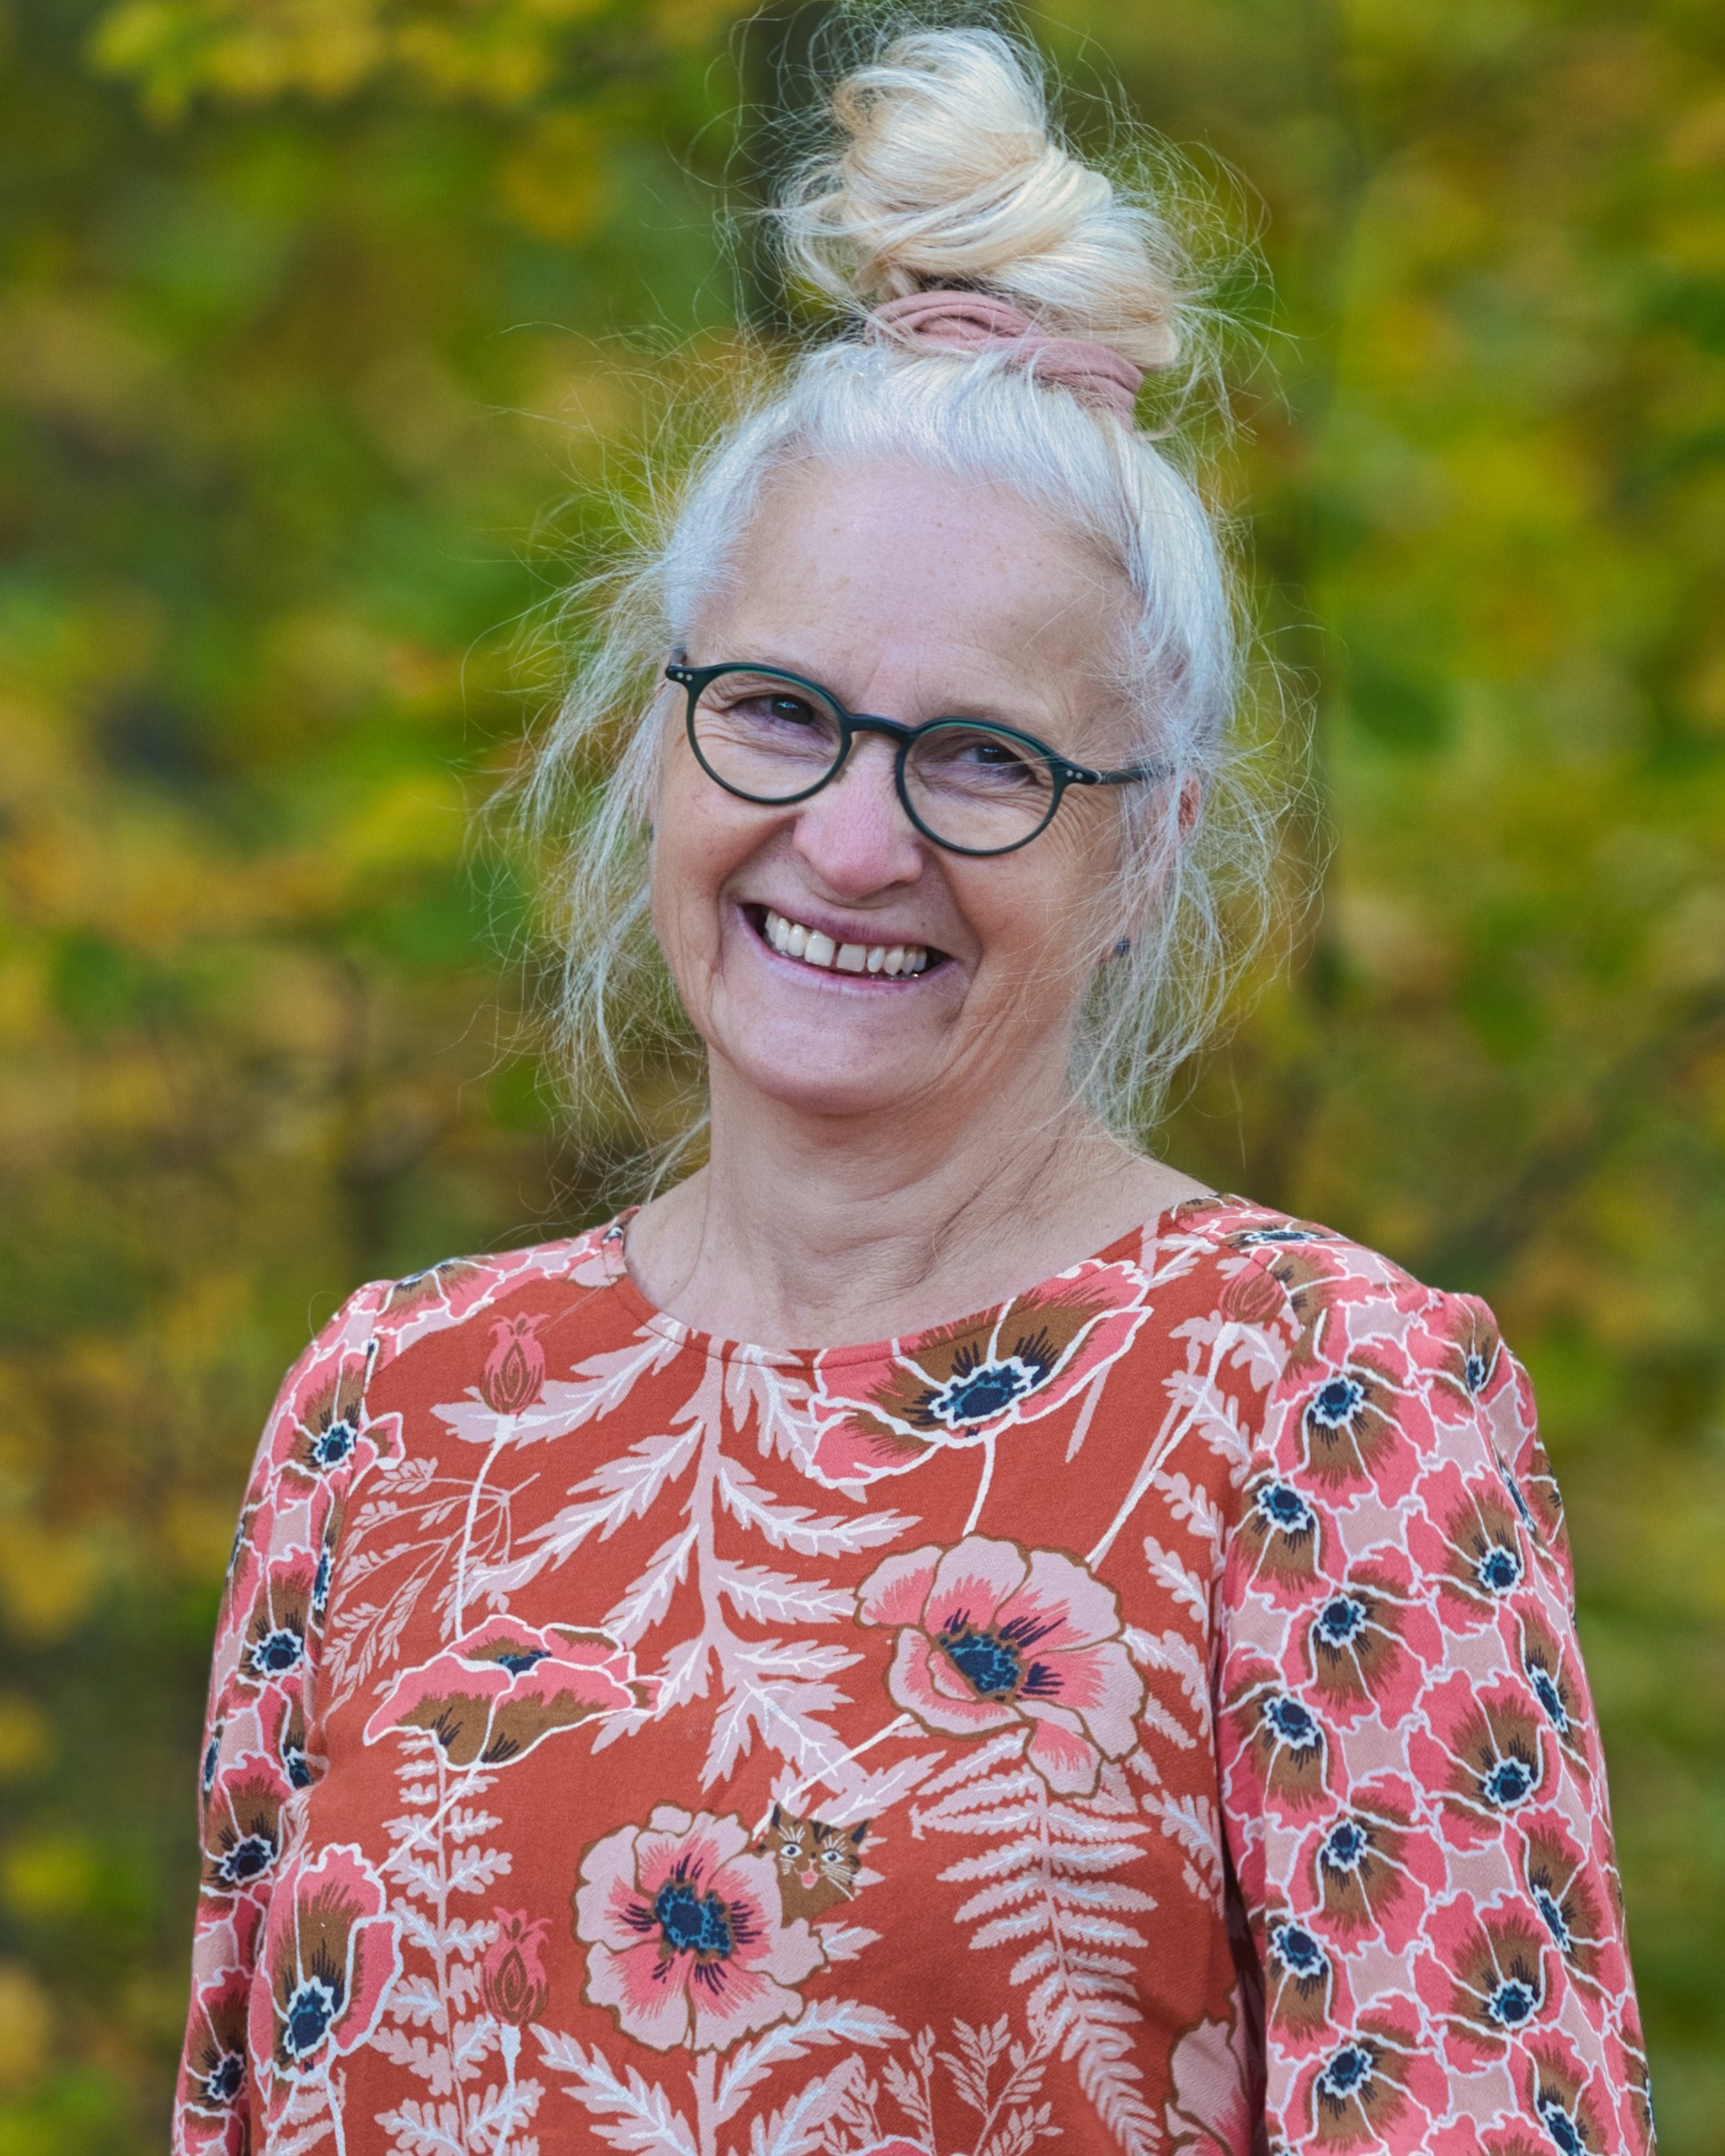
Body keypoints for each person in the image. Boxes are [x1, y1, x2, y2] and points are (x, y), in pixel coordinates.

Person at [174, 28, 1653, 2156]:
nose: (854, 841)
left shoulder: (1319, 1401)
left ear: (1140, 847)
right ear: (664, 737)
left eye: (983, 758)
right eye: (780, 712)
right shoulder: (391, 1411)